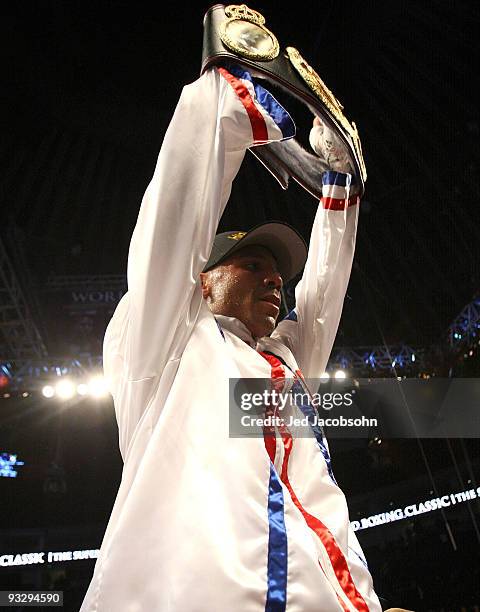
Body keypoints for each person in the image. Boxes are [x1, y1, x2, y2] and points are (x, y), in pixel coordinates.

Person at [80, 65, 392, 611]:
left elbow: (321, 298)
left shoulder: (285, 364)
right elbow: (172, 223)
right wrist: (222, 99)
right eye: (251, 265)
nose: (274, 278)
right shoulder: (168, 350)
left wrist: (341, 184)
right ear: (203, 282)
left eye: (276, 273)